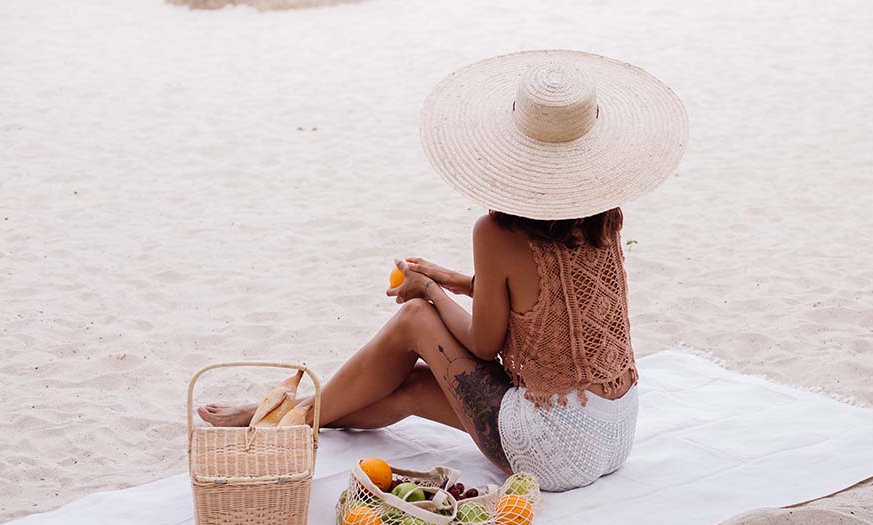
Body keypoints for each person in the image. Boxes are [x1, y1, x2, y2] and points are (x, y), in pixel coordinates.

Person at [199, 50, 688, 491]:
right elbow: (544, 308)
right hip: (616, 430)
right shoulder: (604, 216)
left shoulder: (496, 233)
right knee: (409, 386)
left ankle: (280, 414)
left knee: (414, 317)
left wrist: (430, 290)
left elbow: (482, 343)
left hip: (553, 452)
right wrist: (454, 280)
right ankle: (291, 417)